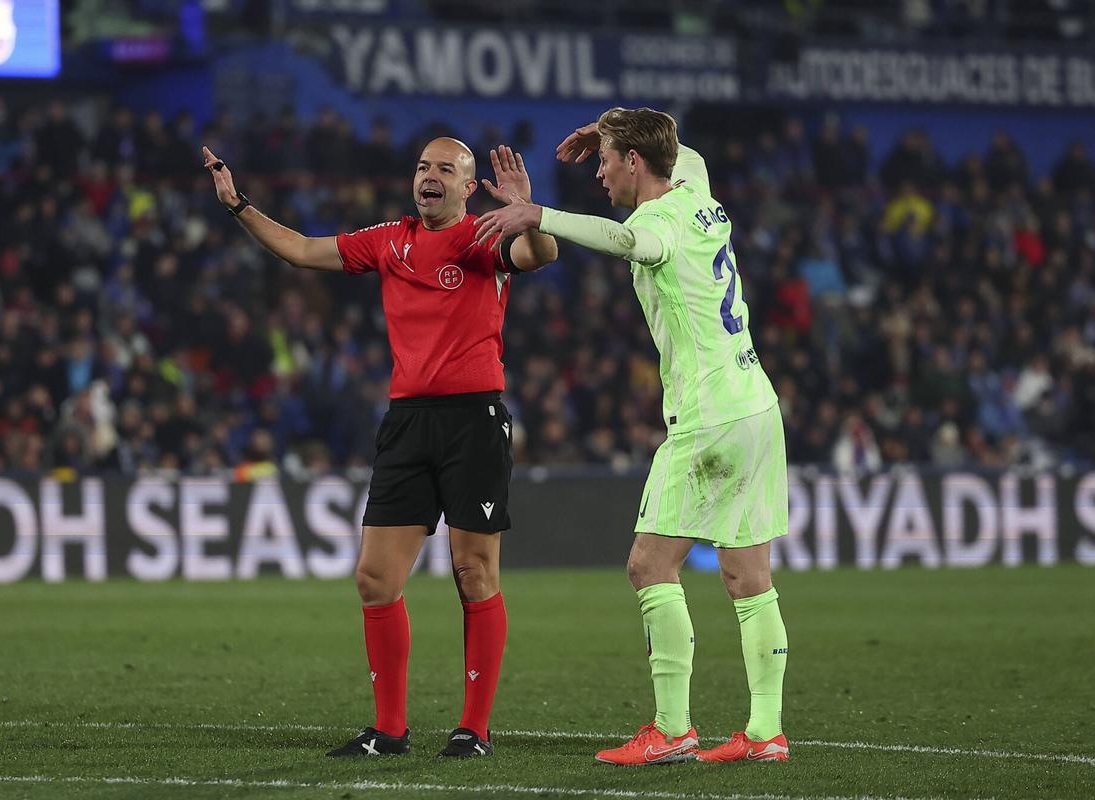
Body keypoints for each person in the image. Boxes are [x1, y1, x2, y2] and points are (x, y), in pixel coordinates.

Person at [202, 138, 558, 758]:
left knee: (474, 572)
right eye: (422, 167)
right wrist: (238, 206)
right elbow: (302, 249)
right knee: (374, 578)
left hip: (473, 420)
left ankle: (473, 730)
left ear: (467, 187)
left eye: (445, 169)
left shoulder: (483, 236)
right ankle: (390, 730)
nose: (429, 176)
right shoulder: (389, 240)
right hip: (407, 422)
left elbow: (539, 254)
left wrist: (530, 215)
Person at [474, 108, 790, 766]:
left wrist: (539, 215)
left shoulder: (658, 222)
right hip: (757, 405)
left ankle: (671, 729)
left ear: (635, 164)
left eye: (606, 161)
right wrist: (609, 131)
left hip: (709, 417)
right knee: (749, 577)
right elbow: (678, 151)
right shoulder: (696, 189)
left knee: (649, 566)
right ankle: (765, 732)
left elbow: (622, 241)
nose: (600, 173)